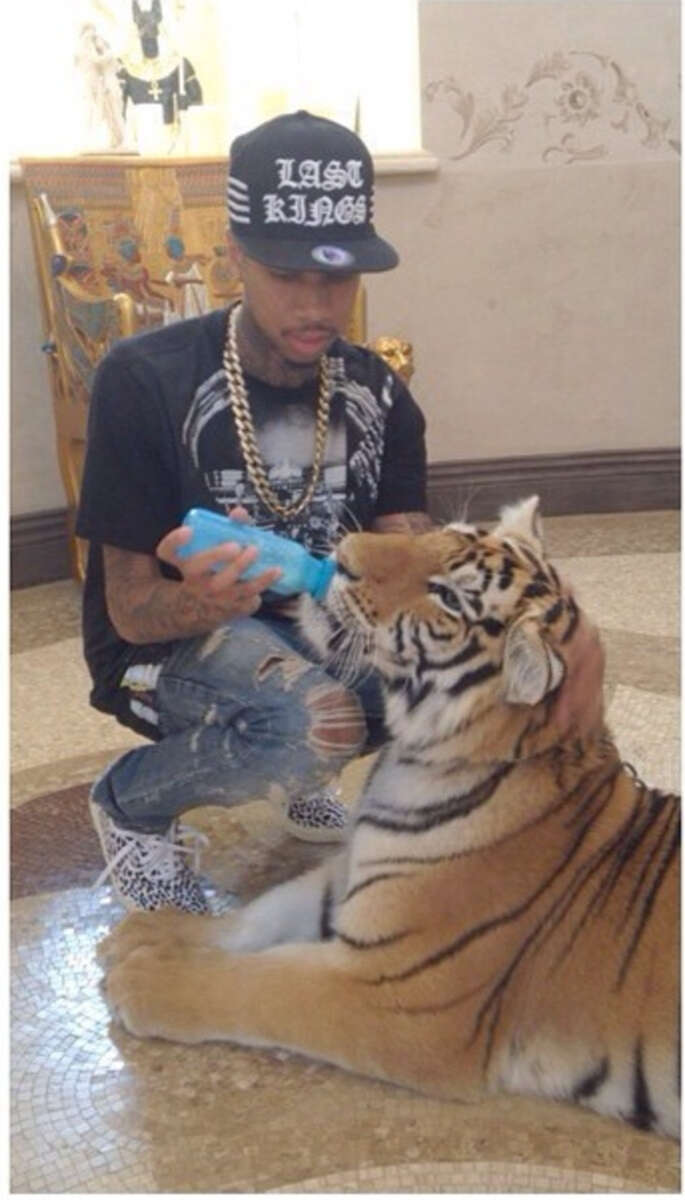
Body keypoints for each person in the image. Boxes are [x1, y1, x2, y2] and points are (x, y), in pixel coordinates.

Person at [77, 110, 601, 915]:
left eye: (339, 277)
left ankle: (314, 770)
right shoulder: (143, 380)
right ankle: (131, 804)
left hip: (319, 626)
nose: (317, 304)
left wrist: (496, 606)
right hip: (171, 647)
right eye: (290, 275)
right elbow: (128, 611)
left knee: (465, 672)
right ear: (236, 257)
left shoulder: (377, 391)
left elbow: (405, 546)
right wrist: (201, 600)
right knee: (311, 718)